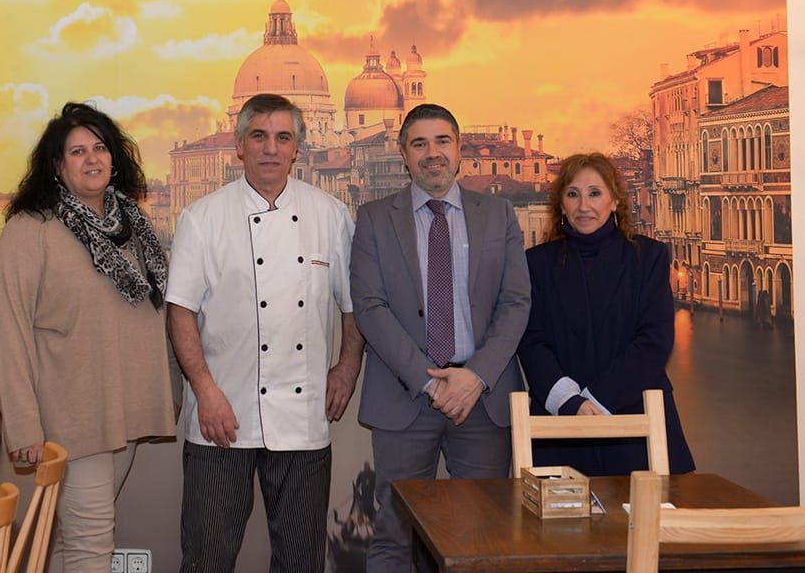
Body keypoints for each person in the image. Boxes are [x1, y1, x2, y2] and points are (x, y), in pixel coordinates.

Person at [166, 93, 364, 572]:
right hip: (221, 418)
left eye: (282, 138)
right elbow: (180, 313)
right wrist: (205, 390)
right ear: (239, 146)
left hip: (302, 417)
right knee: (206, 559)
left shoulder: (331, 216)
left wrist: (347, 366)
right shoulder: (201, 219)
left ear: (297, 147)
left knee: (300, 562)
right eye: (259, 137)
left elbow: (353, 305)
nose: (271, 148)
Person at [0, 102, 178, 572]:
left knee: (71, 541)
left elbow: (158, 312)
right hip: (72, 415)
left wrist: (169, 387)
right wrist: (24, 426)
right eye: (77, 151)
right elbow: (8, 330)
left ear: (115, 158)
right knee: (92, 544)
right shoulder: (31, 229)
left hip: (126, 412)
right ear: (57, 165)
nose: (92, 158)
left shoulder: (133, 225)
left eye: (100, 147)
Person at [351, 103, 531, 572]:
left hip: (483, 399)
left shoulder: (499, 215)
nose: (433, 153)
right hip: (403, 397)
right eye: (420, 144)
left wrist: (475, 377)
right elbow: (370, 309)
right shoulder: (372, 219)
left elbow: (516, 303)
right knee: (394, 535)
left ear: (459, 150)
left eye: (442, 141)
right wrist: (432, 384)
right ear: (404, 155)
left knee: (482, 536)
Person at [517, 152, 694, 476]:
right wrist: (571, 404)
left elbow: (655, 340)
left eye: (594, 193)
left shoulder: (649, 257)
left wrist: (596, 402)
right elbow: (531, 339)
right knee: (556, 525)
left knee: (644, 521)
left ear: (614, 201)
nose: (584, 206)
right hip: (560, 423)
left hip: (636, 419)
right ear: (562, 205)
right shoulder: (536, 263)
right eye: (573, 194)